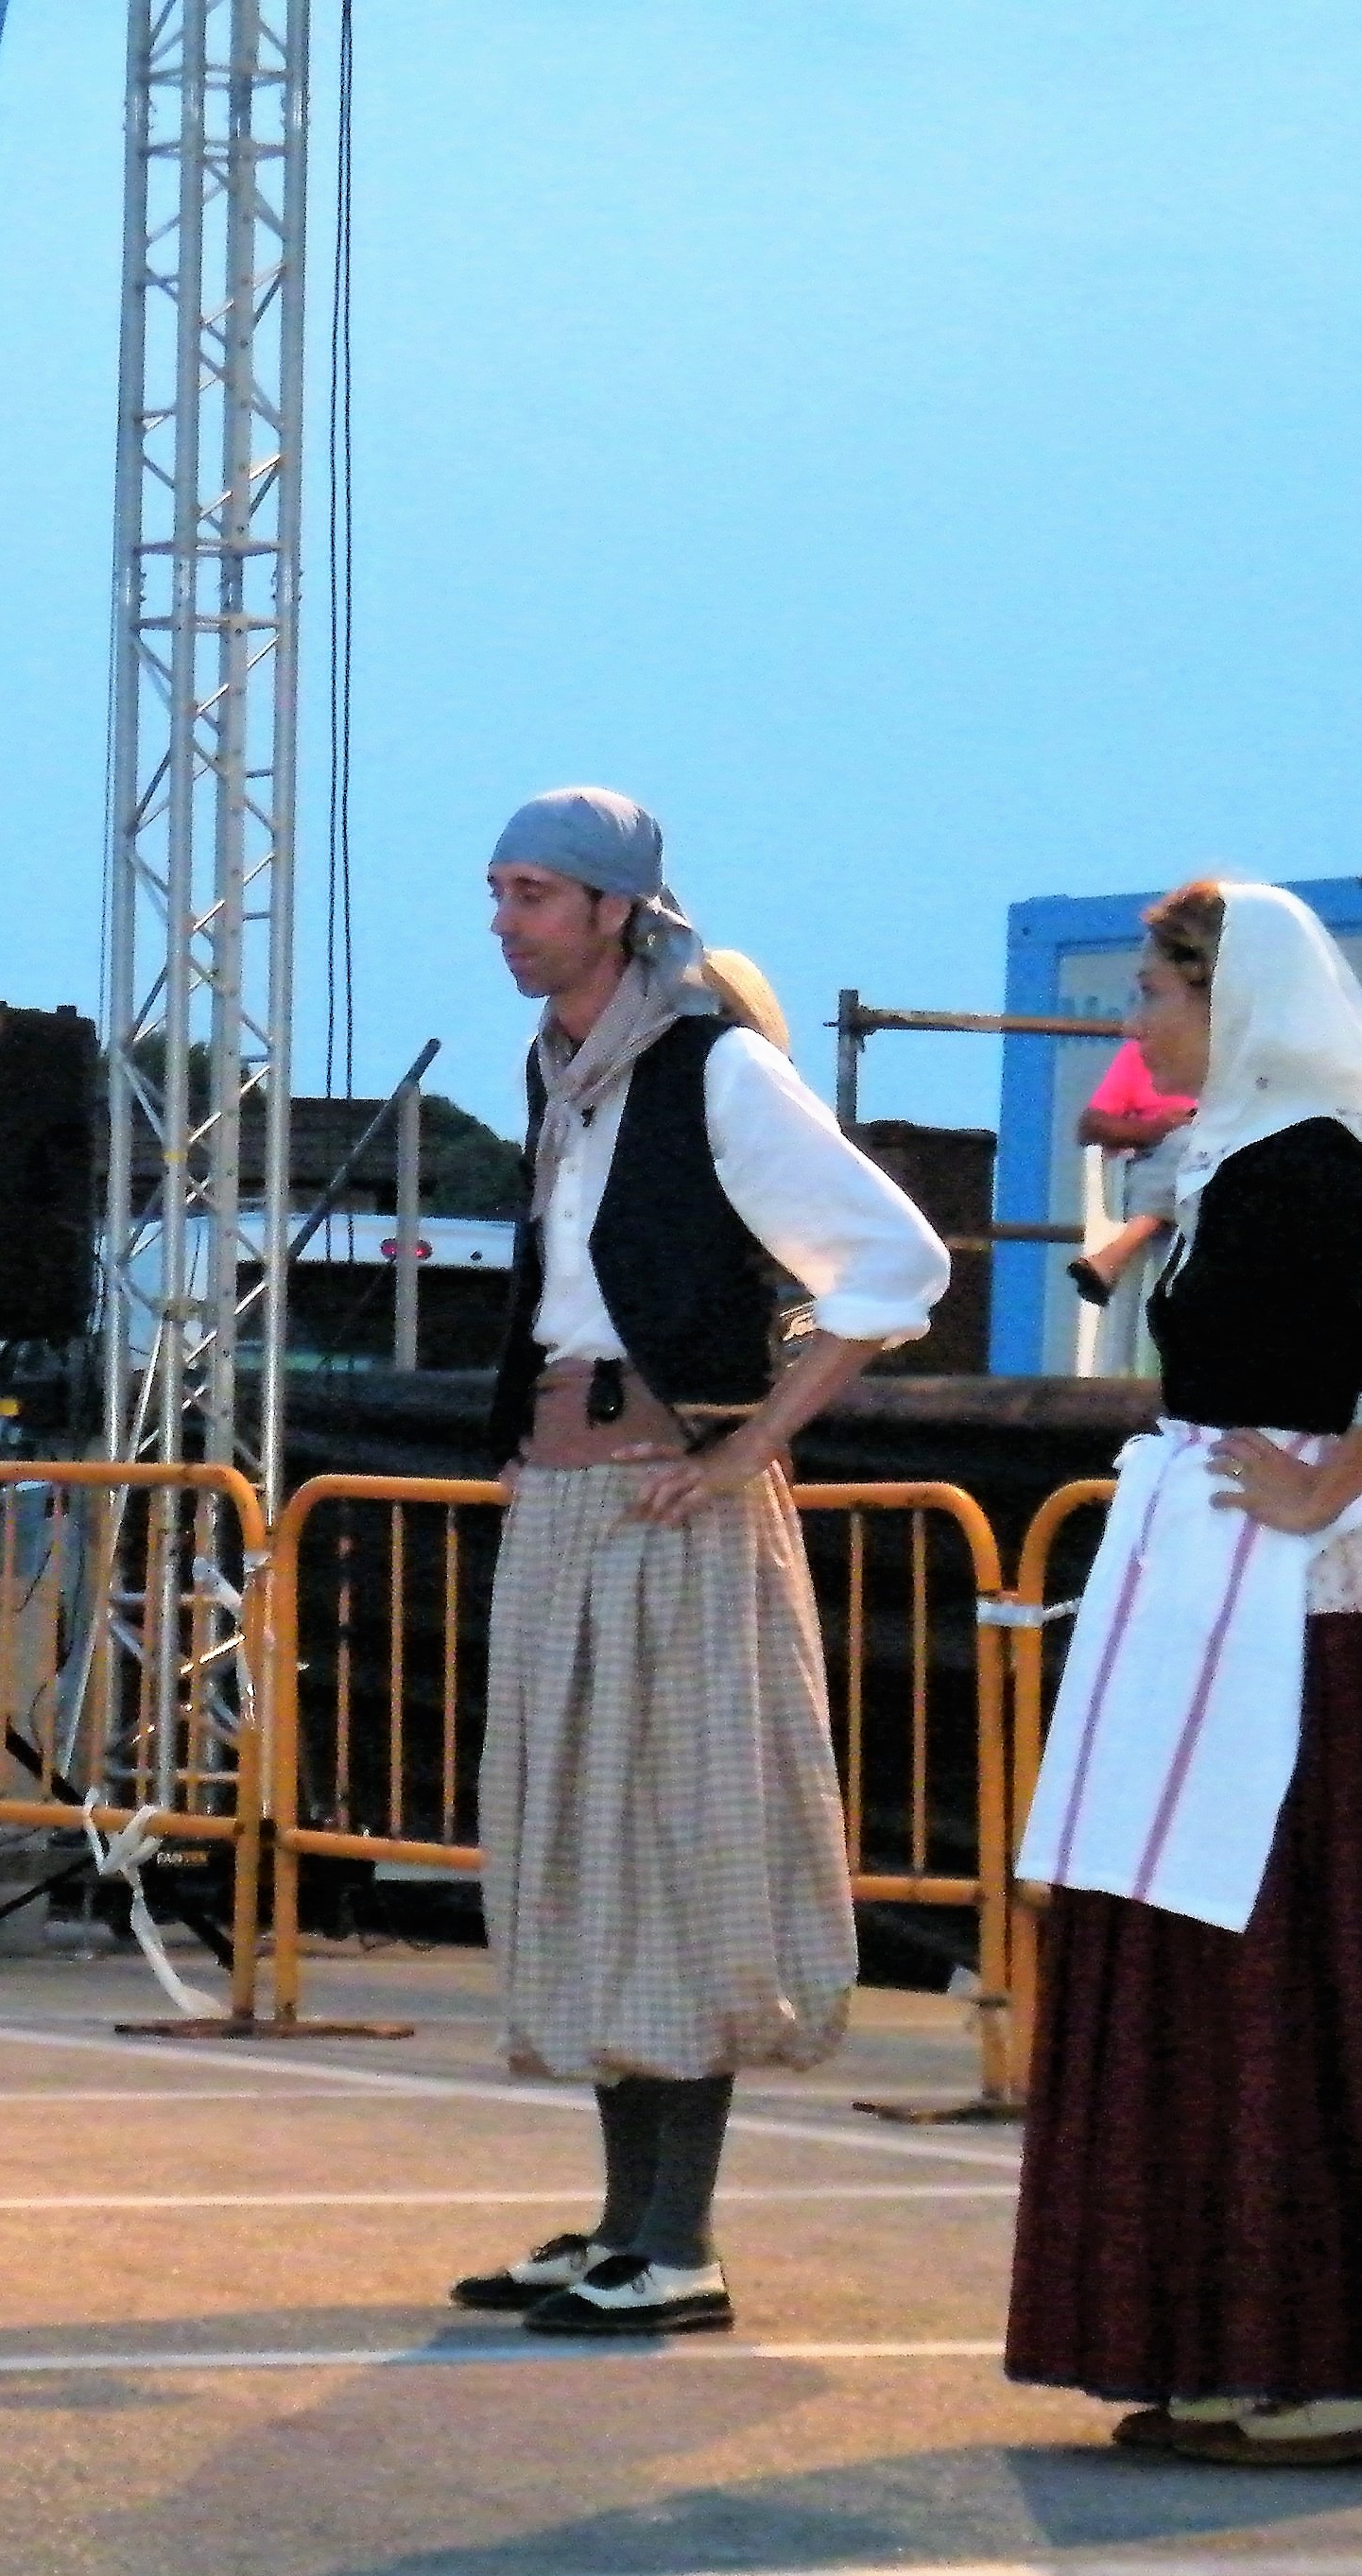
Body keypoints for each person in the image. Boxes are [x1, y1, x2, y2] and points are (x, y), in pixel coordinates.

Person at [1009, 880, 1362, 2468]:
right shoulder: (1238, 1155)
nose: (1136, 1019)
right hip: (1227, 1594)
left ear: (1227, 1001)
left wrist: (1326, 1484)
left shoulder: (1294, 1163)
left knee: (1289, 1974)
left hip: (1293, 1613)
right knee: (1216, 1969)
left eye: (1156, 991)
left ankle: (1333, 2365)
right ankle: (1237, 2347)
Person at [446, 787, 948, 2340]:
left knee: (679, 1842)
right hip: (571, 1494)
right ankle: (621, 2223)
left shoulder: (711, 1066)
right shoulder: (564, 1070)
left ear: (614, 909)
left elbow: (895, 1262)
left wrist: (747, 1446)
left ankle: (678, 2240)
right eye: (498, 889)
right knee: (587, 1850)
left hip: (670, 1504)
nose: (506, 919)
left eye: (533, 892)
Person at [1066, 1040, 1196, 1306]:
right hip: (1154, 1165)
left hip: (1217, 1171)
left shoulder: (1245, 1050)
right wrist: (1159, 1128)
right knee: (1184, 1142)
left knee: (1193, 1141)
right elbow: (1089, 1127)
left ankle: (1121, 1248)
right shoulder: (1145, 1051)